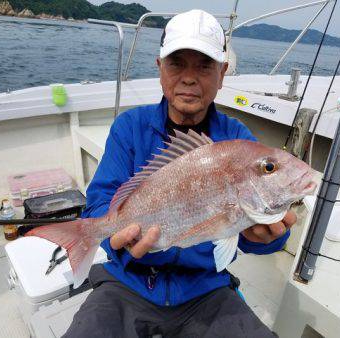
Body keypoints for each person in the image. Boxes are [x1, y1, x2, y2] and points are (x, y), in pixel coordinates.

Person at [64, 9, 296, 338]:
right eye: (176, 63)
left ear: (222, 73)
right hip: (127, 283)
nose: (189, 77)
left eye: (204, 65)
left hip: (206, 291)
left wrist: (270, 237)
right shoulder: (130, 128)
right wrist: (113, 237)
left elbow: (247, 232)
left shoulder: (239, 142)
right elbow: (100, 200)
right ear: (160, 67)